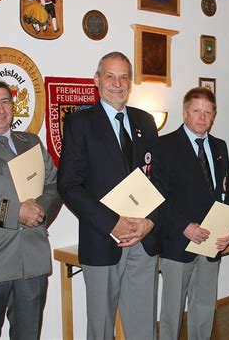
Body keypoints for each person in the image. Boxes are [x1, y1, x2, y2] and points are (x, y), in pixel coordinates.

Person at [57, 52, 160, 340]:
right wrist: (111, 222)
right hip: (103, 239)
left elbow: (160, 178)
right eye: (110, 76)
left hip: (144, 238)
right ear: (97, 80)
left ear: (131, 82)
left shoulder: (146, 121)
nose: (118, 83)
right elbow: (69, 185)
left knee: (143, 327)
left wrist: (150, 221)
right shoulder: (79, 123)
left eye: (124, 76)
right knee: (101, 328)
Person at [0, 79, 62, 340]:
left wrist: (40, 211)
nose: (0, 110)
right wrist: (13, 213)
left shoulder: (30, 142)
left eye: (5, 101)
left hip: (31, 260)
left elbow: (54, 184)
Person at [150, 87, 229, 340]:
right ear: (185, 113)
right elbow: (158, 194)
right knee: (172, 310)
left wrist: (228, 227)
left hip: (212, 242)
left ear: (214, 116)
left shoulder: (220, 146)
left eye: (208, 112)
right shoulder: (163, 145)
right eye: (197, 111)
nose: (202, 117)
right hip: (179, 241)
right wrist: (183, 226)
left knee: (204, 307)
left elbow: (227, 190)